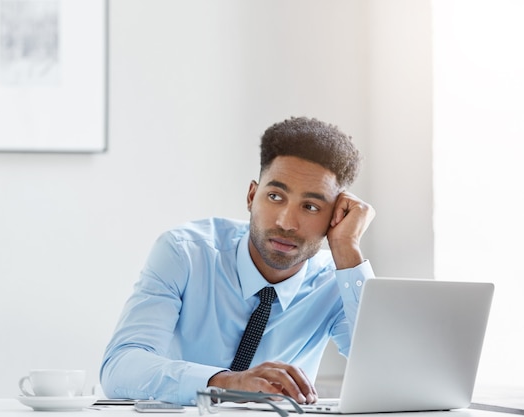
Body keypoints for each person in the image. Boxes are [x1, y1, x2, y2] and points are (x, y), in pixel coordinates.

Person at [100, 116, 376, 406]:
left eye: (310, 206)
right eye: (274, 196)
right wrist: (226, 383)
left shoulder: (335, 281)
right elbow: (120, 367)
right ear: (251, 196)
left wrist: (347, 248)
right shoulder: (185, 254)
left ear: (335, 217)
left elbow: (386, 371)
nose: (286, 223)